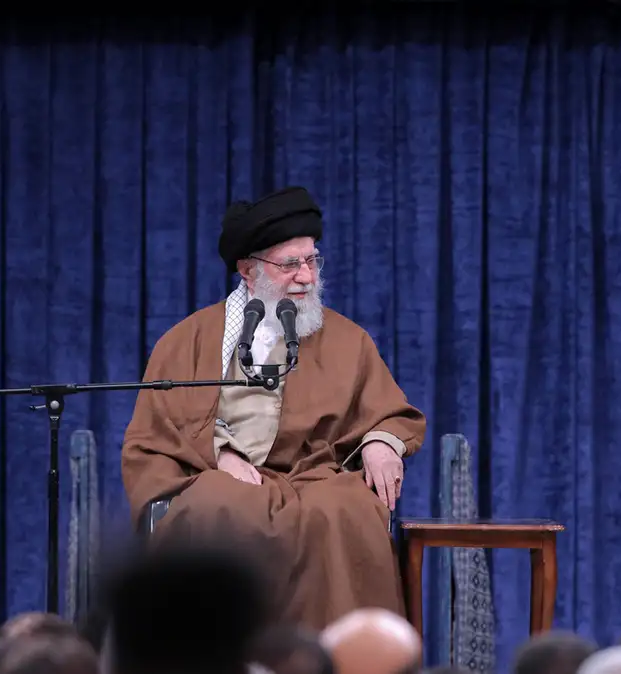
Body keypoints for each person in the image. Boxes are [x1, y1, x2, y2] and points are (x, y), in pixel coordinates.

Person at [120, 186, 426, 629]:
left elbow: (389, 411)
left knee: (346, 511)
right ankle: (222, 655)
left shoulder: (348, 339)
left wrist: (382, 443)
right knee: (217, 508)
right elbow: (158, 428)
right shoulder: (189, 340)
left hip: (314, 474)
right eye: (290, 264)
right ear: (248, 271)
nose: (306, 276)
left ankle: (346, 654)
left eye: (312, 261)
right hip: (218, 474)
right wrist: (219, 452)